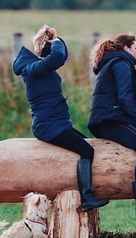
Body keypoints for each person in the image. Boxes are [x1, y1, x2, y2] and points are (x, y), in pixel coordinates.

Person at [13, 25, 108, 212]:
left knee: (85, 144)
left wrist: (57, 39)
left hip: (57, 122)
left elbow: (61, 57)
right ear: (46, 49)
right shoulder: (32, 69)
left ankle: (84, 192)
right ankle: (87, 198)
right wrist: (55, 42)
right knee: (86, 151)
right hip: (48, 125)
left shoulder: (40, 67)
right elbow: (56, 57)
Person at [88, 33, 136, 222]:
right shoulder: (121, 64)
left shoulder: (115, 62)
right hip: (108, 119)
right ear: (126, 48)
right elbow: (124, 98)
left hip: (110, 117)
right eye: (135, 48)